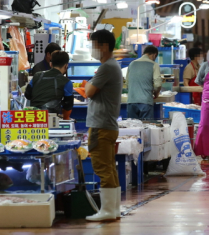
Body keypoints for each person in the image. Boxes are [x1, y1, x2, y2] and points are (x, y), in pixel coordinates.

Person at [85, 30, 122, 222]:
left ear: (104, 46)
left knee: (102, 168)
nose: (93, 49)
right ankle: (113, 209)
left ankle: (107, 211)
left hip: (100, 125)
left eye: (94, 45)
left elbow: (89, 92)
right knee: (109, 167)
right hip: (108, 124)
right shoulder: (112, 66)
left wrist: (87, 85)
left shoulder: (107, 67)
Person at [25, 50, 73, 119]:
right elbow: (68, 106)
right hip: (50, 118)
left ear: (50, 64)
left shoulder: (37, 75)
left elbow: (27, 95)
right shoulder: (66, 82)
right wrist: (66, 118)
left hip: (33, 117)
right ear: (66, 66)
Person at [126, 45, 162, 119]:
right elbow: (158, 84)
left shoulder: (132, 64)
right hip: (145, 103)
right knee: (146, 128)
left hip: (131, 102)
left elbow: (127, 84)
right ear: (154, 55)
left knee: (133, 128)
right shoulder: (154, 64)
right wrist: (156, 92)